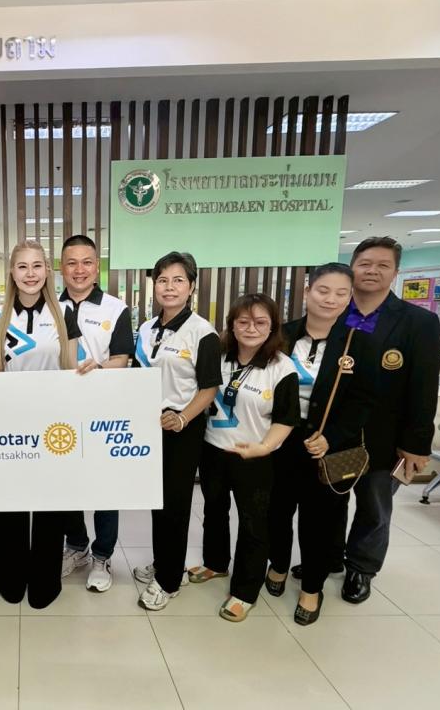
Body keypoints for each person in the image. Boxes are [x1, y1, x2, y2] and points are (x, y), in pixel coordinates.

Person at [264, 263, 375, 625]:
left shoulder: (359, 341)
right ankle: (279, 565)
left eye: (342, 293)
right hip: (282, 440)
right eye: (324, 290)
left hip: (328, 446)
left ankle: (312, 587)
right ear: (308, 291)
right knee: (277, 511)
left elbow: (364, 400)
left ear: (350, 297)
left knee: (319, 521)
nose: (331, 299)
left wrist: (332, 437)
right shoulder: (282, 335)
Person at [338, 237, 440, 604]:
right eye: (365, 263)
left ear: (395, 272)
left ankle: (361, 568)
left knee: (374, 505)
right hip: (338, 435)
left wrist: (416, 444)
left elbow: (424, 387)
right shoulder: (336, 314)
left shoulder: (418, 322)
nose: (372, 271)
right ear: (352, 267)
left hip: (386, 440)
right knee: (332, 500)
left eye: (383, 265)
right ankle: (329, 556)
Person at [188, 293, 299, 622]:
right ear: (232, 325)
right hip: (213, 449)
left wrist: (264, 447)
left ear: (272, 327)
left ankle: (245, 591)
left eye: (261, 322)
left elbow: (286, 418)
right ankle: (215, 563)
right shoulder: (218, 357)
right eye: (243, 321)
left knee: (253, 523)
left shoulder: (281, 367)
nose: (251, 328)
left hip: (255, 456)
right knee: (214, 511)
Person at [0, 240, 82, 609]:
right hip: (10, 424)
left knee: (49, 505)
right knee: (10, 503)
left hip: (53, 424)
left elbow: (70, 369)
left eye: (37, 266)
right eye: (22, 267)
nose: (30, 274)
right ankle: (9, 575)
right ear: (12, 272)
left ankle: (45, 578)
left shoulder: (64, 314)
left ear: (47, 271)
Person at [131, 252, 222, 611]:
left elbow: (209, 388)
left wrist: (182, 418)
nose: (169, 287)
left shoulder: (202, 332)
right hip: (149, 425)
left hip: (182, 427)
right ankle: (162, 563)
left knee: (176, 505)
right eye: (163, 280)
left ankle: (169, 581)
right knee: (157, 500)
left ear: (191, 287)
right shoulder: (146, 328)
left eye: (178, 280)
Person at [57, 235, 134, 593]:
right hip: (60, 410)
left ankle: (103, 555)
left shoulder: (116, 308)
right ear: (61, 268)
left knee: (105, 485)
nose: (79, 270)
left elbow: (123, 358)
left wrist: (99, 368)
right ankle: (76, 546)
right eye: (71, 263)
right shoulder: (50, 306)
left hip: (103, 408)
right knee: (68, 482)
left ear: (97, 267)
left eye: (86, 262)